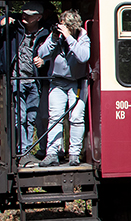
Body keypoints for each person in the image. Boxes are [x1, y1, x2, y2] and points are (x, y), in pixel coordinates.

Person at [0, 2, 51, 166]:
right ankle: (23, 152)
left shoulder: (45, 32)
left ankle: (27, 151)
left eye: (29, 15)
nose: (25, 16)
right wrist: (1, 22)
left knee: (31, 118)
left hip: (35, 81)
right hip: (16, 78)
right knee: (20, 116)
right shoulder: (14, 24)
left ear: (38, 17)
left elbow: (54, 51)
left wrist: (44, 61)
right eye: (24, 13)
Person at [35, 10, 91, 166]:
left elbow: (83, 56)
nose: (62, 28)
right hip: (57, 82)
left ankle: (74, 154)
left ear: (73, 26)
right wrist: (54, 38)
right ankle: (52, 153)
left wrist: (68, 37)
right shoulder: (56, 36)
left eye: (65, 26)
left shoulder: (83, 37)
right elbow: (41, 53)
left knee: (76, 118)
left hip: (77, 83)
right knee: (55, 118)